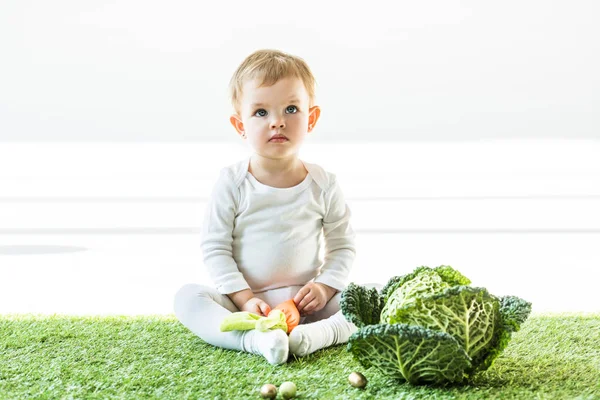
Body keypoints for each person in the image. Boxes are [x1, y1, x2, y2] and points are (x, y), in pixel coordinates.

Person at [173, 49, 357, 365]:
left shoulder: (323, 183)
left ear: (311, 118)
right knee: (187, 297)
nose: (277, 122)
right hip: (245, 303)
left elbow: (342, 248)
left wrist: (325, 288)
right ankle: (254, 340)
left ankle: (312, 338)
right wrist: (244, 299)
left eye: (291, 109)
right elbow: (215, 249)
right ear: (240, 125)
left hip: (306, 303)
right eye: (261, 112)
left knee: (374, 295)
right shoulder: (232, 182)